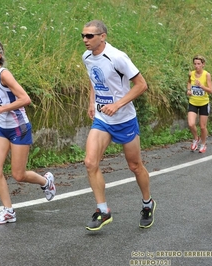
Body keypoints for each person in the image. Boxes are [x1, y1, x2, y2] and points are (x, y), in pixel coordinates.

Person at [81, 20, 155, 230]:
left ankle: (147, 203)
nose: (85, 40)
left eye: (90, 36)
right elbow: (94, 80)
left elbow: (142, 85)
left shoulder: (117, 57)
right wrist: (91, 102)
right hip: (103, 119)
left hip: (124, 119)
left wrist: (118, 104)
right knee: (90, 162)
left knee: (134, 166)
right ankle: (103, 210)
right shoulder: (86, 57)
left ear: (102, 36)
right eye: (83, 36)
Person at [0, 39, 56, 224]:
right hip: (1, 127)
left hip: (19, 128)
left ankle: (46, 182)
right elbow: (3, 101)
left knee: (19, 175)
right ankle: (8, 211)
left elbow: (25, 99)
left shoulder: (4, 75)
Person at [187, 55, 212, 153]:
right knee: (191, 123)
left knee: (202, 126)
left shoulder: (207, 75)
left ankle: (203, 144)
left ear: (203, 64)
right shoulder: (191, 74)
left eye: (198, 64)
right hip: (193, 102)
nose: (196, 66)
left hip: (204, 103)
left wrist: (202, 86)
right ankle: (196, 138)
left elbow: (210, 90)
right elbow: (189, 83)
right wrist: (189, 90)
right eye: (195, 64)